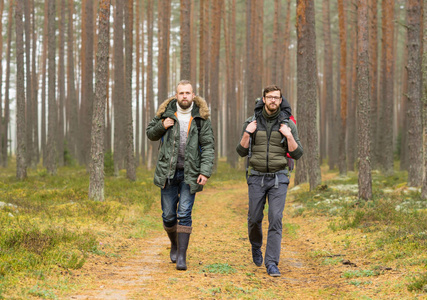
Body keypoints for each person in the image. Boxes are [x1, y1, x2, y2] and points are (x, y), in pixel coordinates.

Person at [146, 80, 214, 271]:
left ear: (194, 95)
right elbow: (150, 134)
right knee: (168, 215)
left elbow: (208, 147)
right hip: (168, 173)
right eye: (181, 93)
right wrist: (162, 125)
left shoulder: (202, 118)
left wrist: (205, 171)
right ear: (176, 96)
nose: (184, 96)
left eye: (188, 93)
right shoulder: (165, 114)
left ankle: (182, 256)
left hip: (190, 173)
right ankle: (174, 244)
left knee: (184, 213)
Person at [236, 85, 303, 277]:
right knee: (254, 219)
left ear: (281, 101)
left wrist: (289, 135)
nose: (273, 100)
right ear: (263, 100)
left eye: (276, 97)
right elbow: (241, 152)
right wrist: (247, 133)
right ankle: (256, 245)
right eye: (269, 97)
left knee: (276, 219)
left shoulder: (288, 124)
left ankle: (272, 262)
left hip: (279, 178)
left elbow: (297, 153)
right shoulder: (251, 122)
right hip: (256, 176)